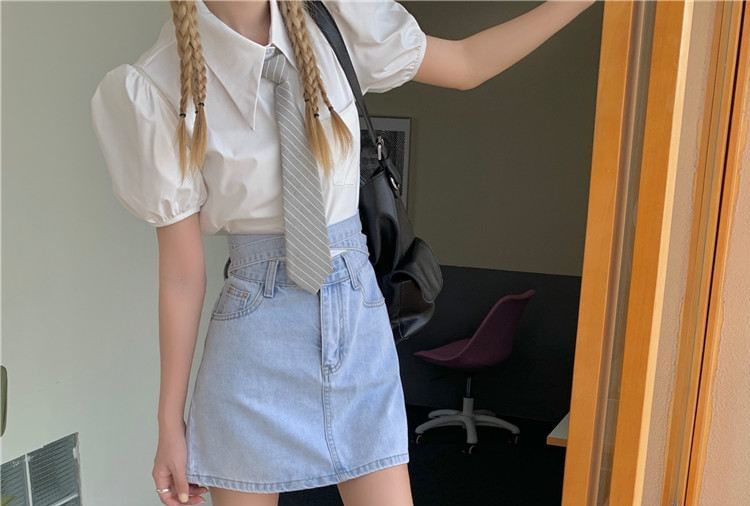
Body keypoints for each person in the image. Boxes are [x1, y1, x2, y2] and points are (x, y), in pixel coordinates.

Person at [89, 0, 595, 504]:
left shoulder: (336, 20)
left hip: (357, 322)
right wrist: (169, 423)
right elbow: (182, 275)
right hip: (252, 337)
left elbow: (465, 64)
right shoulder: (158, 84)